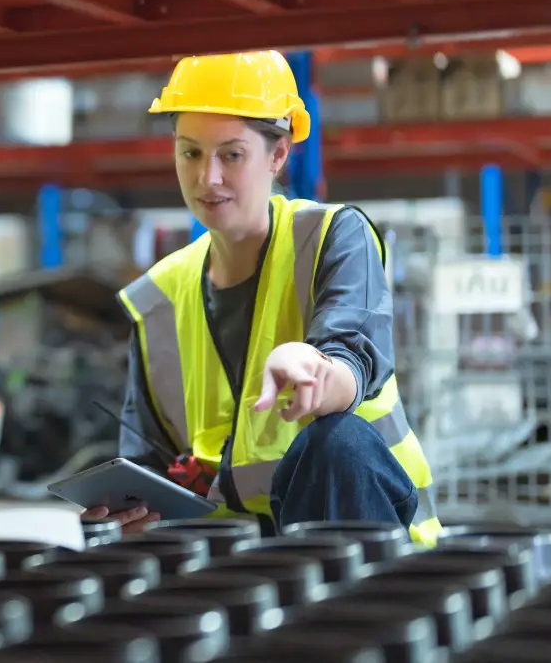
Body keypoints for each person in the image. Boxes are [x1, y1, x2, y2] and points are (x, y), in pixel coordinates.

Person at [85, 51, 440, 545]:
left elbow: (352, 358)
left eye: (231, 155)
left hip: (366, 544)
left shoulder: (332, 236)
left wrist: (317, 368)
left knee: (337, 442)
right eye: (190, 153)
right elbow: (150, 464)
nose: (208, 177)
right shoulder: (160, 298)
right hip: (239, 565)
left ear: (278, 155)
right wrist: (129, 513)